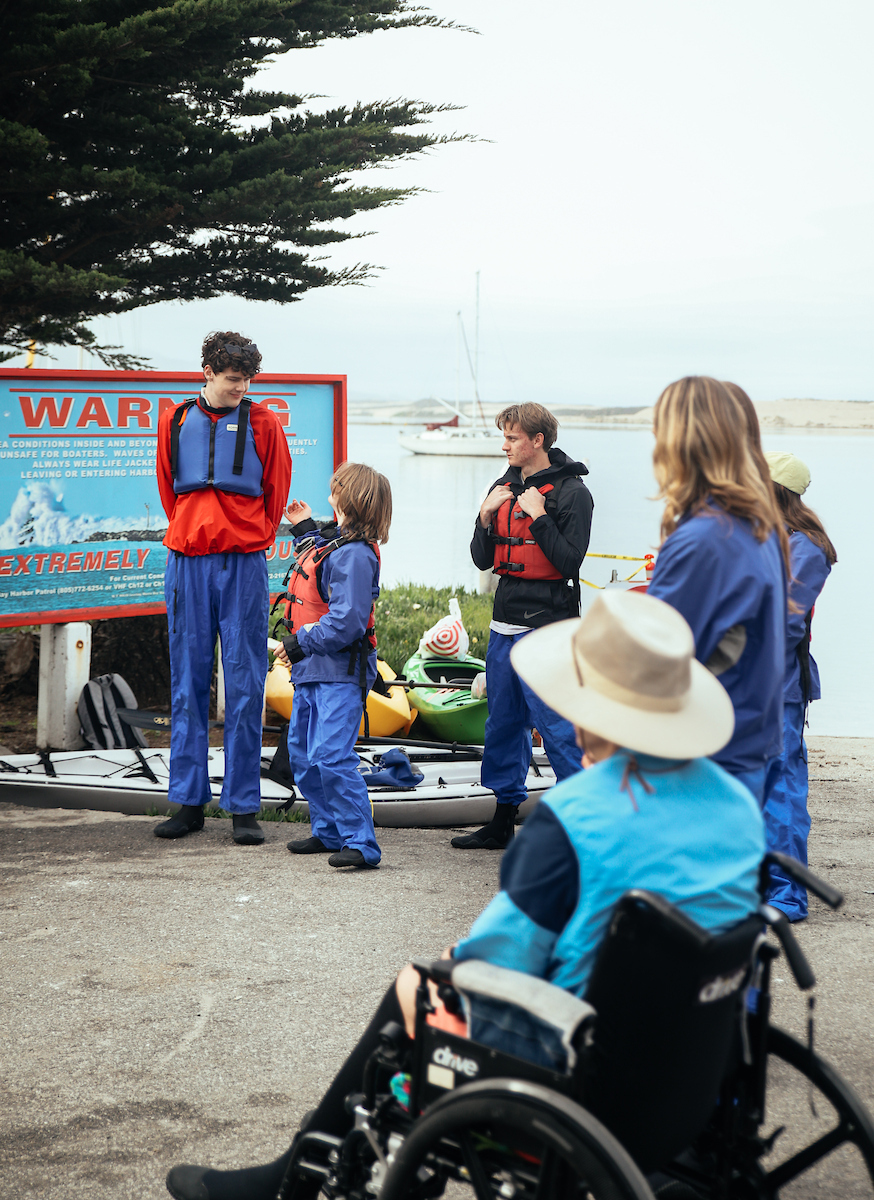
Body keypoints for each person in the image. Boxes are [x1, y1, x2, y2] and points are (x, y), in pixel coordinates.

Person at [163, 589, 765, 1200]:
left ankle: (293, 1176)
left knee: (418, 987)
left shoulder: (578, 817)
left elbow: (494, 964)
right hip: (691, 1071)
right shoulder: (740, 809)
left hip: (582, 1078)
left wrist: (455, 964)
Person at [153, 332, 291, 845]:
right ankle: (188, 803)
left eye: (247, 380)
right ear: (208, 371)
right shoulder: (174, 419)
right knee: (186, 681)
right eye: (234, 379)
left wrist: (242, 534)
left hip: (243, 563)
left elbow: (275, 493)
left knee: (246, 679)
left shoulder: (263, 422)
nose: (242, 387)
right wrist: (197, 529)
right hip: (187, 559)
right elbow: (169, 489)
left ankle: (242, 807)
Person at [453, 402, 594, 850]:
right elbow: (481, 559)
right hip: (505, 622)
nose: (505, 444)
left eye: (513, 437)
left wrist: (538, 515)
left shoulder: (573, 493)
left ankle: (582, 829)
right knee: (503, 724)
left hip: (550, 628)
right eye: (505, 436)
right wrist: (484, 517)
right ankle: (502, 819)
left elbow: (569, 561)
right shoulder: (502, 485)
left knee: (557, 728)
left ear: (538, 441)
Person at [646, 377, 787, 806]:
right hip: (745, 751)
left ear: (680, 443)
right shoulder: (758, 529)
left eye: (659, 431)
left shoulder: (704, 540)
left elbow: (657, 667)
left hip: (702, 764)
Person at [273, 462, 391, 869]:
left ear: (348, 497)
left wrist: (299, 642)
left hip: (338, 672)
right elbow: (321, 559)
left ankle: (361, 844)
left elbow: (347, 621)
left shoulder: (357, 557)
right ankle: (328, 832)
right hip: (312, 670)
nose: (329, 495)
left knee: (332, 756)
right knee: (303, 756)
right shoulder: (338, 543)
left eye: (334, 489)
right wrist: (305, 528)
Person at [762, 451, 837, 922]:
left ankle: (788, 892)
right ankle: (754, 883)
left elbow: (785, 620)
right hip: (737, 679)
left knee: (782, 786)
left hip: (777, 681)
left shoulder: (806, 547)